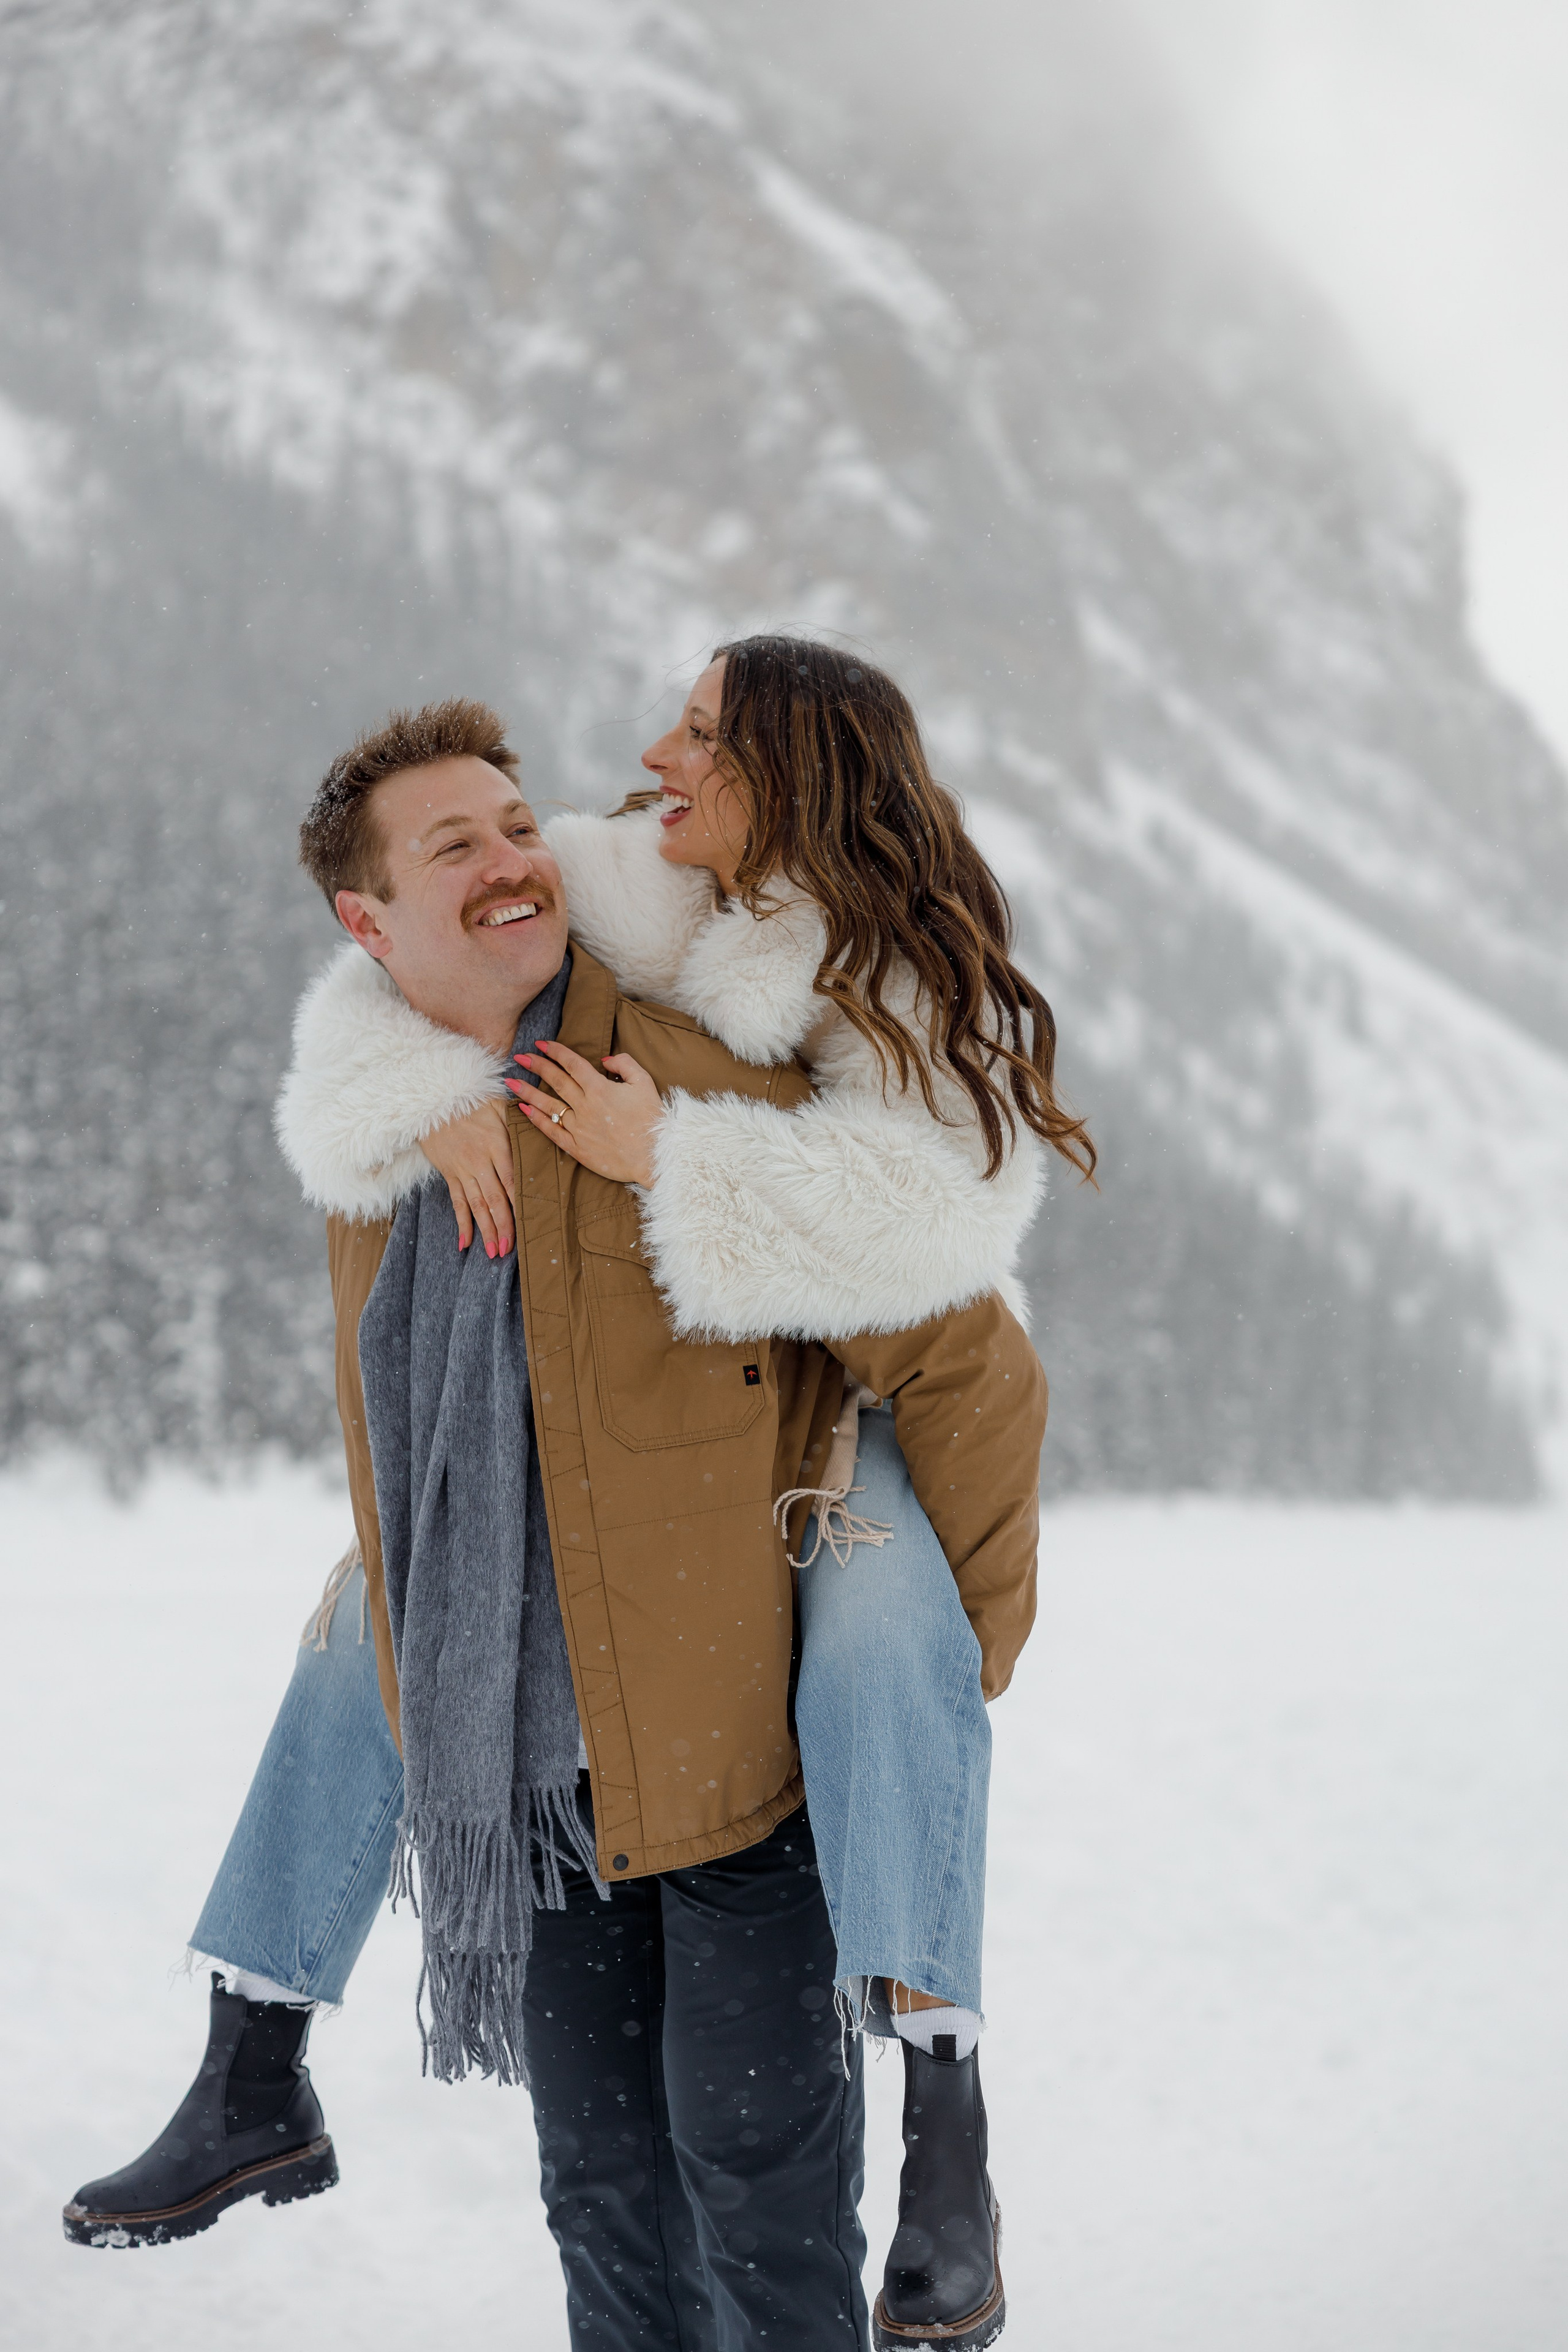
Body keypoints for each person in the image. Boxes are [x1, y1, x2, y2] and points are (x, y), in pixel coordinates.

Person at [64, 690, 1055, 2352]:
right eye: (455, 845)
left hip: (743, 1798)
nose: (516, 861)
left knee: (763, 2220)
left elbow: (969, 1356)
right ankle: (257, 2062)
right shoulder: (388, 1147)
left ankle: (938, 2087)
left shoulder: (677, 1080)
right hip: (542, 1802)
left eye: (522, 827)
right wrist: (406, 1100)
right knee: (604, 2216)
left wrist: (945, 1655)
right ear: (364, 921)